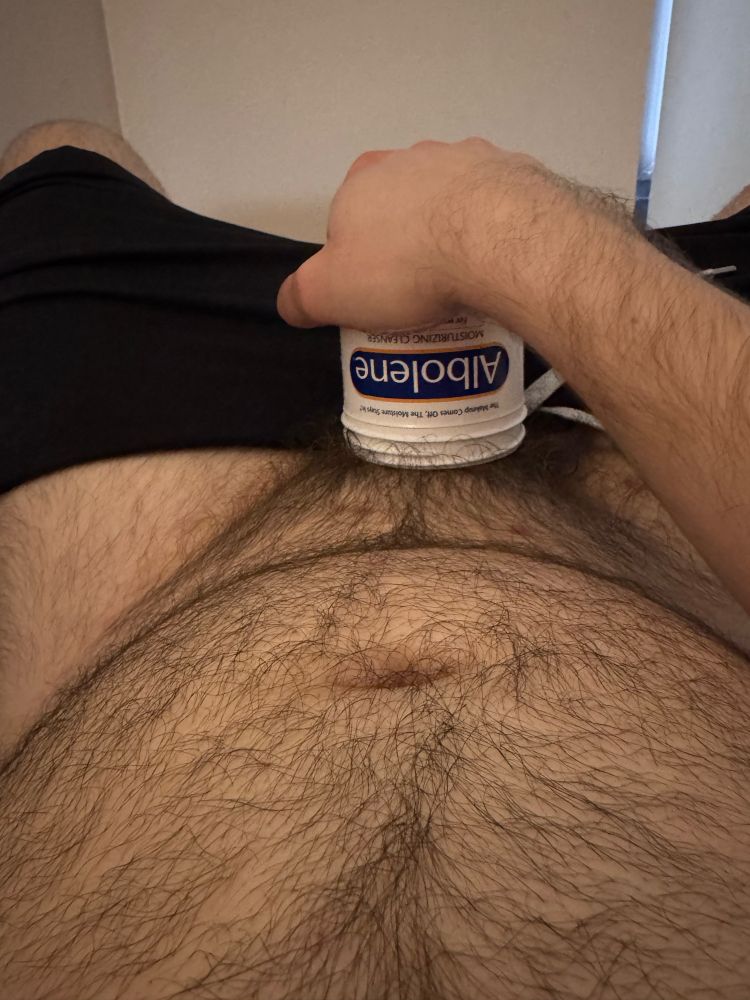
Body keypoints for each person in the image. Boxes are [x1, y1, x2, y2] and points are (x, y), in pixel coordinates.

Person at [0, 120, 749, 1000]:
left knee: (61, 154)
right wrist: (513, 230)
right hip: (673, 381)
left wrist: (490, 225)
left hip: (169, 513)